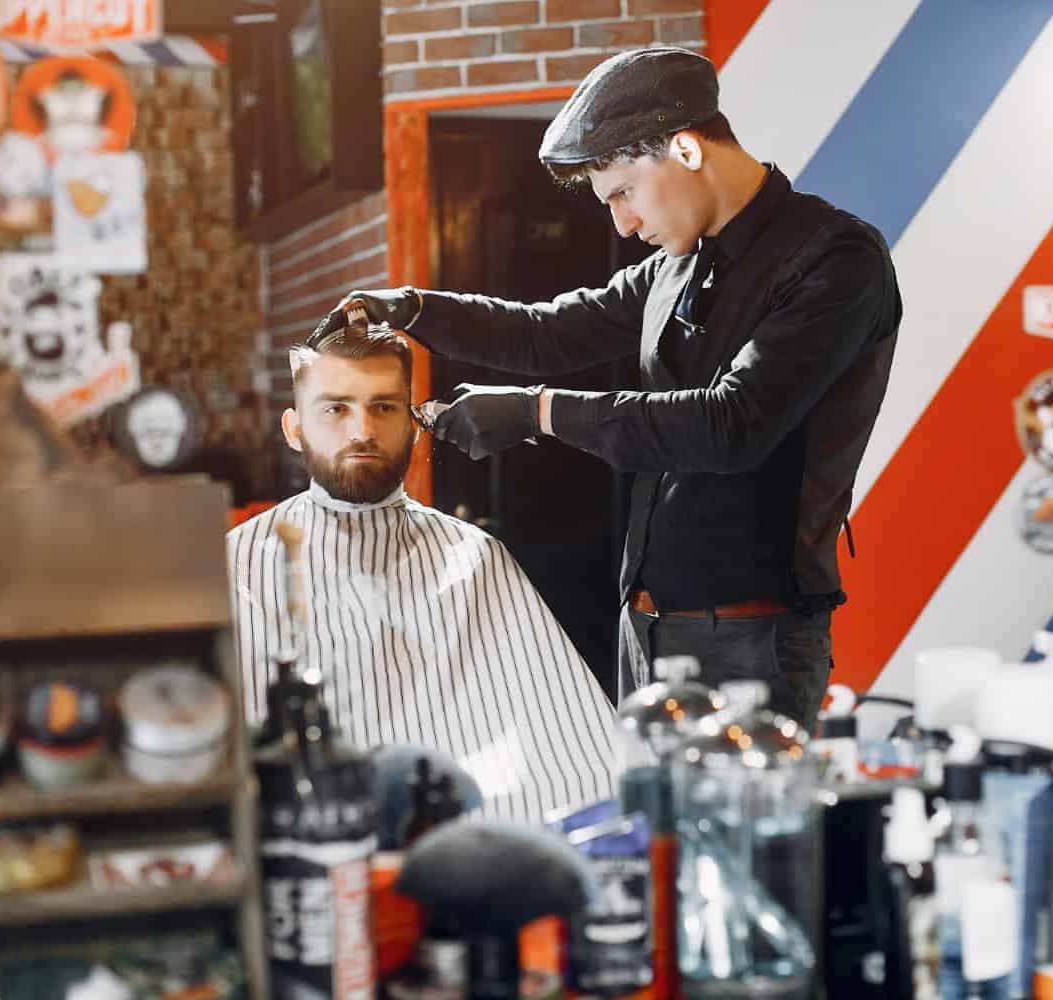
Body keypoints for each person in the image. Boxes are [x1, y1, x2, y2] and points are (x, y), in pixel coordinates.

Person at [313, 46, 902, 727]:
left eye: (623, 192)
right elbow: (547, 333)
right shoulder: (676, 266)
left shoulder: (834, 258)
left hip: (755, 638)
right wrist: (414, 308)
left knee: (740, 834)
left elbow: (733, 424)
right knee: (648, 834)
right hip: (646, 625)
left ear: (684, 149)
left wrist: (537, 412)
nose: (622, 224)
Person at [226, 322, 616, 823]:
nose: (362, 430)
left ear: (412, 424)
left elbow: (578, 766)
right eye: (335, 408)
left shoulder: (474, 558)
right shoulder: (238, 565)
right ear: (294, 429)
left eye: (383, 407)